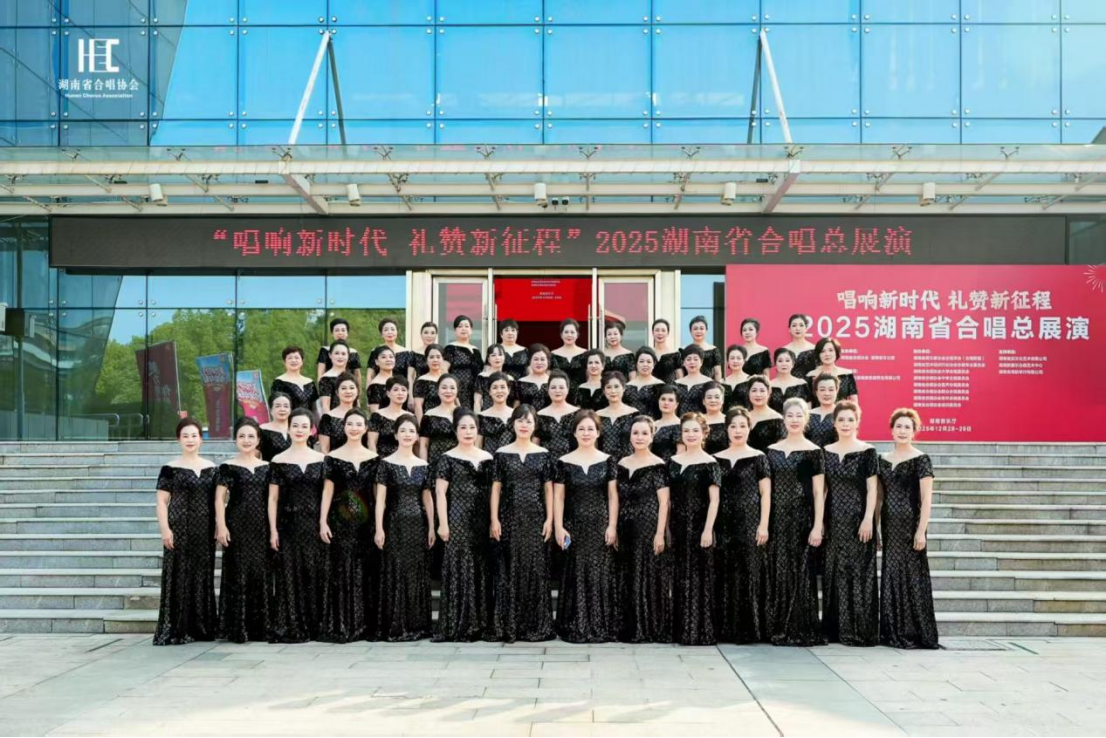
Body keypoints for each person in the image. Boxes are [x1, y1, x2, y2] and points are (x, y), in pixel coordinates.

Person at [490, 405, 556, 642]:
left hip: (536, 517)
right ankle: (509, 624)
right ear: (513, 424)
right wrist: (494, 518)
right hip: (509, 517)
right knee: (510, 567)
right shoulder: (501, 454)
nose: (524, 425)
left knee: (535, 568)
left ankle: (534, 624)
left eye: (529, 421)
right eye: (520, 421)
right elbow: (496, 489)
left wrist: (550, 519)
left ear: (535, 425)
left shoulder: (544, 454)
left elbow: (548, 489)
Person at [553, 410, 620, 643]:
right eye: (581, 429)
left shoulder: (608, 460)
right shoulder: (563, 462)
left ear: (598, 432)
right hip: (574, 525)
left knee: (599, 572)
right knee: (576, 571)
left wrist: (612, 526)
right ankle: (576, 623)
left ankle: (600, 623)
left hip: (600, 524)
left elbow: (612, 496)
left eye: (591, 429)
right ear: (574, 433)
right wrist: (558, 526)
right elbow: (558, 497)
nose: (586, 433)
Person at [766, 399, 827, 647]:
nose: (794, 420)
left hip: (803, 519)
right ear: (783, 419)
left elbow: (819, 492)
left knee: (802, 571)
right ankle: (777, 624)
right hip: (776, 519)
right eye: (790, 415)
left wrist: (818, 525)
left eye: (799, 415)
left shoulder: (814, 452)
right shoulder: (771, 450)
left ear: (806, 419)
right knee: (778, 569)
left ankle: (800, 625)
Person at [877, 408, 939, 650]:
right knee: (891, 575)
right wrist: (876, 526)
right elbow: (879, 497)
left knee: (912, 576)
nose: (902, 431)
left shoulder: (921, 459)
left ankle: (914, 631)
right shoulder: (882, 459)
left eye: (907, 427)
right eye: (898, 426)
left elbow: (927, 499)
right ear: (891, 430)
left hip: (911, 525)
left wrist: (921, 530)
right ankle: (892, 630)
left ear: (914, 432)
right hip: (889, 526)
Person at [154, 418, 217, 645]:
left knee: (202, 575)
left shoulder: (212, 468)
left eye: (194, 436)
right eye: (185, 436)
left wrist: (218, 524)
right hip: (179, 528)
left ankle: (201, 627)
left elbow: (218, 500)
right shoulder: (169, 469)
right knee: (178, 575)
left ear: (201, 439)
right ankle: (177, 628)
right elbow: (162, 502)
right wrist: (165, 529)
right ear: (178, 439)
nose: (190, 440)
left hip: (204, 529)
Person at [434, 409, 495, 642]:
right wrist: (443, 523)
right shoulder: (447, 458)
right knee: (460, 565)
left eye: (472, 427)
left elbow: (493, 492)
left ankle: (480, 622)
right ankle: (459, 622)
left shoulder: (488, 457)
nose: (468, 432)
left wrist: (493, 520)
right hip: (457, 517)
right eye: (463, 427)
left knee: (481, 566)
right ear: (455, 431)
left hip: (482, 518)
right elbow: (440, 492)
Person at [822, 401, 880, 647]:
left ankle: (859, 629)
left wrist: (868, 519)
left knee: (859, 572)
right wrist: (820, 521)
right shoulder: (825, 451)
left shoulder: (868, 452)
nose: (845, 424)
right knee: (834, 572)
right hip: (833, 519)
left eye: (850, 420)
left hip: (858, 519)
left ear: (857, 423)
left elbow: (872, 489)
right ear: (834, 423)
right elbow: (823, 490)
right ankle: (835, 629)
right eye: (841, 420)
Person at [267, 408, 327, 643]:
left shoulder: (322, 459)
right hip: (288, 525)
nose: (300, 430)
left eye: (304, 426)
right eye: (295, 426)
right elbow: (273, 499)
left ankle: (315, 624)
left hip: (315, 524)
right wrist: (273, 530)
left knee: (315, 572)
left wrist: (324, 522)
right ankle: (292, 623)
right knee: (289, 574)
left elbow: (326, 496)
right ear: (288, 428)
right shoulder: (278, 460)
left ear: (312, 430)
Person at [318, 409, 378, 643]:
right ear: (343, 427)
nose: (354, 428)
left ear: (365, 428)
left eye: (359, 424)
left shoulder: (374, 459)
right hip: (340, 521)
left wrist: (379, 524)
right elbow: (327, 491)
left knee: (366, 570)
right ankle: (343, 623)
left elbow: (377, 495)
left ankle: (364, 624)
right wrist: (323, 521)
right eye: (350, 424)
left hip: (367, 522)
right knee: (342, 569)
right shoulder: (332, 458)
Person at [374, 414, 435, 641]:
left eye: (411, 431)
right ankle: (396, 624)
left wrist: (432, 526)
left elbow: (427, 498)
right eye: (403, 431)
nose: (407, 435)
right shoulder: (386, 464)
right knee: (396, 569)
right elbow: (381, 500)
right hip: (394, 523)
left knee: (415, 571)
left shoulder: (424, 466)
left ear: (417, 436)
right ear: (395, 435)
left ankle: (417, 624)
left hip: (418, 524)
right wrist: (379, 528)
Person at [713, 408, 771, 644]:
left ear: (749, 428)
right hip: (723, 523)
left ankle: (750, 628)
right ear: (726, 429)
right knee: (724, 572)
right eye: (733, 426)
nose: (738, 431)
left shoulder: (759, 457)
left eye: (742, 426)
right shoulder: (716, 458)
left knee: (749, 572)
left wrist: (763, 525)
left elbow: (766, 494)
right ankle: (725, 628)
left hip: (750, 521)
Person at [214, 418, 271, 644]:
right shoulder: (227, 467)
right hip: (236, 525)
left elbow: (273, 500)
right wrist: (221, 525)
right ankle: (237, 627)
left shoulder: (268, 467)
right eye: (242, 436)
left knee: (260, 572)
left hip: (262, 526)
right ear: (235, 439)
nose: (246, 440)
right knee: (237, 572)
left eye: (251, 436)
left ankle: (260, 627)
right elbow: (219, 498)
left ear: (258, 440)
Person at [616, 416, 672, 643]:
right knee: (627, 572)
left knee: (647, 572)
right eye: (635, 433)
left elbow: (664, 502)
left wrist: (660, 533)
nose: (639, 437)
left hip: (648, 525)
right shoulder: (621, 463)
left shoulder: (658, 465)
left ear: (652, 436)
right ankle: (628, 625)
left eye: (644, 433)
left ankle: (649, 625)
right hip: (625, 525)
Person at [668, 413, 722, 646]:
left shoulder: (711, 463)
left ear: (704, 434)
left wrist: (708, 529)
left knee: (700, 577)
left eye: (695, 431)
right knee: (680, 575)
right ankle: (681, 629)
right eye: (686, 431)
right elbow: (668, 499)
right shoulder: (672, 461)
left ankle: (700, 629)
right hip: (678, 526)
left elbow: (714, 500)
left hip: (700, 525)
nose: (690, 435)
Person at [418, 374, 461, 478]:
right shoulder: (429, 415)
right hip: (435, 465)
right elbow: (424, 445)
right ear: (437, 391)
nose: (448, 391)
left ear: (457, 391)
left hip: (459, 466)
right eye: (444, 387)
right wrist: (424, 468)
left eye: (452, 388)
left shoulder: (463, 414)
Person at [535, 370, 579, 459]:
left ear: (567, 389)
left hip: (573, 462)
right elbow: (536, 443)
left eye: (561, 387)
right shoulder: (539, 415)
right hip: (546, 463)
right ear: (548, 389)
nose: (557, 391)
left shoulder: (578, 414)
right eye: (553, 387)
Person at [596, 372, 638, 461]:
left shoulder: (634, 414)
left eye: (616, 386)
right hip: (603, 463)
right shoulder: (597, 415)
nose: (613, 391)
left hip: (628, 463)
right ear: (603, 391)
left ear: (624, 388)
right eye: (608, 387)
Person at [442, 315, 481, 409]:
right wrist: (453, 393)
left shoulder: (476, 350)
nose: (464, 329)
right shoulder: (451, 348)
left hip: (475, 394)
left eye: (467, 326)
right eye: (460, 326)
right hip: (457, 392)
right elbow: (444, 370)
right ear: (455, 330)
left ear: (471, 330)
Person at [806, 337, 859, 403]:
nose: (827, 354)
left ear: (836, 352)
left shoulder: (846, 374)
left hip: (841, 409)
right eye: (823, 351)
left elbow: (854, 401)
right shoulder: (811, 375)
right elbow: (808, 402)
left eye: (831, 350)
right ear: (818, 354)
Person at [318, 372, 360, 454]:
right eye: (343, 388)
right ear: (337, 392)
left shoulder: (363, 417)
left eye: (352, 388)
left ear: (357, 391)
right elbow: (324, 449)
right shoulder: (327, 418)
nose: (348, 391)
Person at [368, 377, 409, 458]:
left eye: (403, 390)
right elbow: (371, 443)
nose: (400, 393)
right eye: (396, 390)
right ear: (388, 393)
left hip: (404, 461)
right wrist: (377, 462)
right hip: (382, 460)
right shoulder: (377, 415)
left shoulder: (410, 417)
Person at [317, 318, 362, 389]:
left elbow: (357, 375)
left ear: (347, 333)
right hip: (329, 385)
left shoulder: (353, 352)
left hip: (349, 388)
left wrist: (358, 392)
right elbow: (321, 372)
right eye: (337, 330)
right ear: (332, 333)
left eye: (343, 330)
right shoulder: (325, 350)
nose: (340, 333)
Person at [271, 346, 319, 413]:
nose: (293, 360)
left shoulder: (310, 382)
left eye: (296, 358)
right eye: (290, 358)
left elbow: (315, 408)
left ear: (302, 361)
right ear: (284, 362)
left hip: (308, 419)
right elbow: (276, 405)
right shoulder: (279, 382)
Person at [477, 372, 515, 454]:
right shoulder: (482, 416)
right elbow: (478, 446)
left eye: (502, 387)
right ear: (489, 391)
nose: (499, 391)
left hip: (513, 460)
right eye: (495, 387)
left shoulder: (516, 414)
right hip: (490, 459)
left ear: (508, 390)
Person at [746, 377, 786, 452]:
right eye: (754, 390)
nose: (758, 395)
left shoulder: (777, 419)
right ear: (748, 393)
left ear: (768, 393)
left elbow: (781, 450)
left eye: (762, 391)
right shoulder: (743, 417)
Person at [367, 317, 410, 386]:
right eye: (386, 330)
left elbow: (410, 376)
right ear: (381, 334)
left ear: (397, 332)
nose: (390, 332)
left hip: (401, 389)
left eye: (392, 329)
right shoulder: (375, 351)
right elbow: (370, 376)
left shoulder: (407, 352)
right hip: (380, 388)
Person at [625, 347, 665, 418]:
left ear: (654, 364)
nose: (645, 364)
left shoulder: (660, 385)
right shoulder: (627, 386)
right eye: (641, 361)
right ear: (636, 364)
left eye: (649, 362)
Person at [769, 348, 813, 413]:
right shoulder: (768, 385)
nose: (784, 364)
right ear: (775, 364)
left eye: (787, 361)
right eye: (780, 361)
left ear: (792, 364)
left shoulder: (801, 384)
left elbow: (808, 408)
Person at [681, 315, 723, 382]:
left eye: (701, 328)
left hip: (708, 385)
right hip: (689, 384)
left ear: (706, 330)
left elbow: (717, 373)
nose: (698, 331)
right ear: (690, 331)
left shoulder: (714, 350)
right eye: (695, 329)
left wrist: (717, 386)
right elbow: (681, 372)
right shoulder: (683, 350)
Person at [475, 344, 516, 411]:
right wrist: (477, 416)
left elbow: (514, 401)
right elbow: (477, 401)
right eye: (493, 355)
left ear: (504, 358)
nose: (497, 358)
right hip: (486, 414)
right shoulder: (482, 377)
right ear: (488, 359)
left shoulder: (510, 379)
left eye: (500, 355)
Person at [675, 344, 714, 415]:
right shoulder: (676, 383)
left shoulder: (709, 383)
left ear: (701, 362)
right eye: (688, 359)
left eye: (695, 359)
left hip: (701, 420)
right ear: (683, 362)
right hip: (681, 421)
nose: (692, 362)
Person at [551, 318, 589, 389]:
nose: (569, 335)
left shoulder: (585, 353)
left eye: (572, 332)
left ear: (577, 334)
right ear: (561, 334)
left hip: (581, 393)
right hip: (559, 393)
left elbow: (589, 376)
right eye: (566, 332)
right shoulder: (553, 354)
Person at [413, 343, 446, 423]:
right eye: (431, 357)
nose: (435, 360)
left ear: (443, 359)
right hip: (430, 422)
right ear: (426, 360)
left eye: (438, 357)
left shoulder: (448, 379)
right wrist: (421, 426)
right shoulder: (422, 380)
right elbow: (418, 406)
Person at [806, 373, 840, 448]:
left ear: (837, 390)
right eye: (822, 390)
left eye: (831, 390)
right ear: (816, 392)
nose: (826, 393)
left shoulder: (841, 414)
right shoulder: (807, 415)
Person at [651, 385, 683, 463]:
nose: (666, 403)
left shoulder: (680, 425)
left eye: (670, 400)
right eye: (663, 399)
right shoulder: (653, 424)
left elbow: (681, 452)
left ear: (676, 404)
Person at [318, 341, 353, 414]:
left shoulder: (352, 377)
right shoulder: (326, 379)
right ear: (330, 355)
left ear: (348, 356)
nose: (340, 356)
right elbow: (325, 406)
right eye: (337, 353)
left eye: (343, 354)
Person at [515, 344, 553, 412]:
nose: (539, 362)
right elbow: (516, 406)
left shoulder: (553, 381)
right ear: (530, 361)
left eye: (542, 359)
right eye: (536, 359)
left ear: (548, 361)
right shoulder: (520, 382)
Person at [259, 392, 294, 461]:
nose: (282, 409)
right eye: (278, 406)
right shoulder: (262, 429)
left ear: (290, 409)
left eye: (286, 406)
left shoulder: (298, 429)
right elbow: (254, 457)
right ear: (271, 410)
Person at [783, 314, 818, 381]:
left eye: (801, 325)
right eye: (794, 325)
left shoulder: (814, 349)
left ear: (806, 328)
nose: (798, 328)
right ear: (789, 329)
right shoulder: (784, 350)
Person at [408, 321, 440, 391]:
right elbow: (410, 376)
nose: (429, 336)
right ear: (421, 334)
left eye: (432, 333)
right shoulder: (414, 353)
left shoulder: (441, 353)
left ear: (436, 335)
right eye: (426, 332)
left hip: (437, 389)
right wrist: (410, 395)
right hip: (419, 389)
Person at [365, 347, 397, 413]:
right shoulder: (375, 385)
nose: (388, 360)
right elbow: (375, 412)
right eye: (383, 357)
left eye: (391, 357)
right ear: (377, 362)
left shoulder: (399, 380)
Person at [651, 318, 682, 385]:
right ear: (653, 333)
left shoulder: (675, 354)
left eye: (663, 330)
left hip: (670, 390)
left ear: (668, 333)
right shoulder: (648, 354)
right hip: (651, 389)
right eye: (657, 330)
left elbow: (680, 377)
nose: (660, 333)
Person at [722, 345, 754, 411]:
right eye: (732, 358)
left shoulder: (751, 380)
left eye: (738, 358)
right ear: (728, 361)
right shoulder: (722, 382)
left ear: (744, 360)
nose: (735, 361)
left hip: (746, 416)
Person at [701, 382, 728, 454]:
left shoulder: (729, 420)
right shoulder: (698, 421)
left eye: (717, 397)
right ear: (703, 401)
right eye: (709, 397)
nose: (713, 400)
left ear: (722, 400)